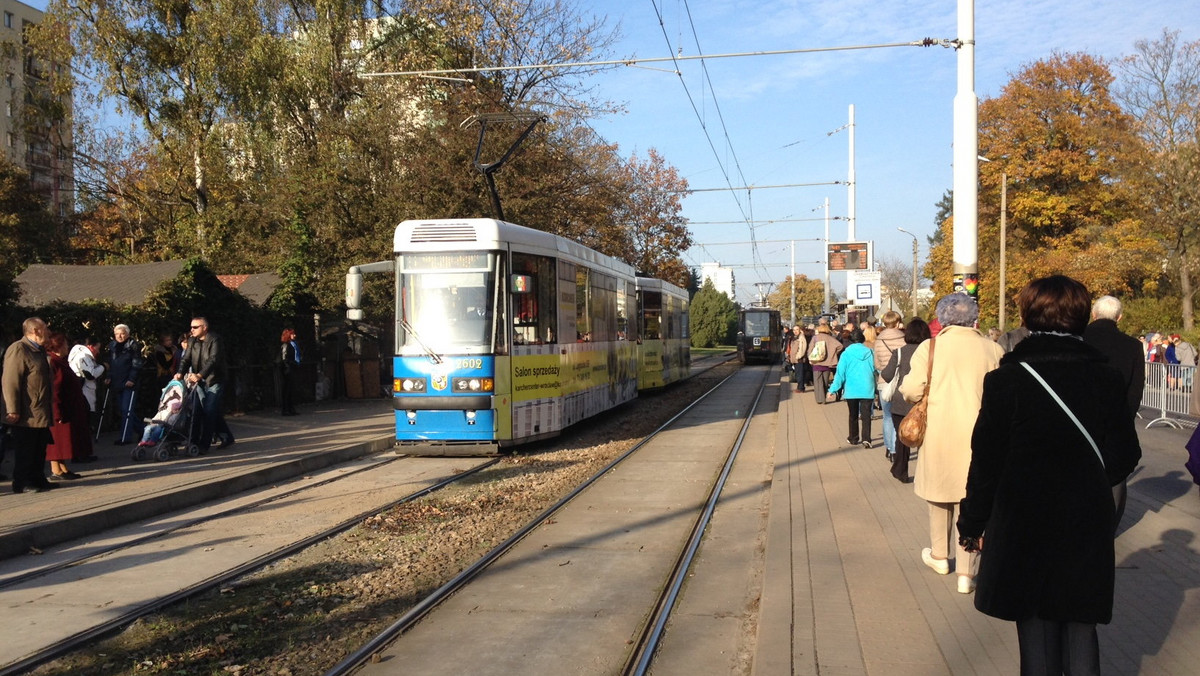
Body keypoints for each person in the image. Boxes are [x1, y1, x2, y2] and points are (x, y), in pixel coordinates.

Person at [957, 276, 1141, 675]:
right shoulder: (1105, 378)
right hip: (1085, 522)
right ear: (1080, 317)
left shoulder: (1007, 380)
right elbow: (1126, 454)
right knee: (1080, 623)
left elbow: (986, 461)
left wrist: (972, 522)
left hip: (1025, 521)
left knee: (1036, 626)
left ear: (1028, 316)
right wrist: (1085, 482)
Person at [900, 293, 1003, 595]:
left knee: (939, 496)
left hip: (940, 433)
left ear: (942, 318)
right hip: (981, 433)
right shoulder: (993, 348)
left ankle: (940, 556)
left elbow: (911, 389)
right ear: (974, 317)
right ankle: (967, 573)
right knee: (973, 498)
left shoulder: (929, 347)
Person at [1083, 295, 1145, 533]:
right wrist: (1125, 419)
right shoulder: (1132, 346)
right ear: (1119, 317)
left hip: (1081, 417)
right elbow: (1135, 389)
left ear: (1093, 314)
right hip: (1116, 422)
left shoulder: (1079, 339)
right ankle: (1107, 527)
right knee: (1114, 477)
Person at [2, 317, 59, 493]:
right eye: (45, 328)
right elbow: (11, 381)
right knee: (25, 448)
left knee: (39, 447)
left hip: (40, 409)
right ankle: (21, 482)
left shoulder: (39, 350)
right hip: (26, 412)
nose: (48, 332)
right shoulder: (19, 349)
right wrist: (12, 409)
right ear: (35, 331)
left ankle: (37, 478)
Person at [880, 318, 931, 483]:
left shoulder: (900, 352)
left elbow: (887, 375)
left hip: (901, 403)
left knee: (903, 437)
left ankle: (900, 469)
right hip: (925, 402)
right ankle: (927, 475)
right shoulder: (931, 353)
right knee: (926, 438)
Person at [174, 317, 233, 453]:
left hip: (214, 379)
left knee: (209, 410)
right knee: (200, 410)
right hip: (199, 381)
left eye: (195, 327)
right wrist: (180, 373)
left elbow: (213, 360)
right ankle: (225, 437)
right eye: (191, 327)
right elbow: (186, 359)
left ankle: (204, 445)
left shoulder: (214, 340)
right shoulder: (192, 341)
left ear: (204, 327)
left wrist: (200, 375)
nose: (192, 330)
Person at [44, 332, 92, 479]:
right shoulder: (53, 362)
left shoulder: (60, 361)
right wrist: (57, 411)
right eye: (65, 344)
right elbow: (55, 388)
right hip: (61, 408)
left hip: (69, 407)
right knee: (58, 441)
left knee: (64, 441)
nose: (67, 347)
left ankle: (63, 468)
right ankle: (56, 469)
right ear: (58, 345)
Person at [826, 329, 876, 448]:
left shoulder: (846, 354)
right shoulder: (870, 352)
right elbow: (877, 369)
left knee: (853, 415)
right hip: (867, 387)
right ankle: (867, 439)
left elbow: (840, 374)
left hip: (852, 389)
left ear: (851, 340)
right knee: (866, 415)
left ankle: (853, 438)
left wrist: (832, 390)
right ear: (862, 339)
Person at [873, 311, 906, 460]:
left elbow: (877, 364)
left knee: (887, 416)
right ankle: (895, 447)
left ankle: (889, 448)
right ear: (898, 322)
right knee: (899, 415)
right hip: (901, 382)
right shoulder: (904, 339)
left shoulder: (879, 341)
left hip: (884, 381)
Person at [106, 324, 145, 445]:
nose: (119, 336)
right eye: (117, 334)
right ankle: (144, 430)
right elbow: (111, 363)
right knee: (124, 411)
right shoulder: (112, 346)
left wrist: (132, 379)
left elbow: (137, 363)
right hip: (117, 381)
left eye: (122, 333)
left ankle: (125, 437)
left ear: (127, 334)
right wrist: (108, 376)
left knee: (126, 410)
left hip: (129, 382)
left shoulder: (133, 345)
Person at [809, 320, 843, 404]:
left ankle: (819, 399)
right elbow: (840, 346)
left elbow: (810, 349)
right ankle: (824, 397)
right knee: (825, 381)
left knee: (817, 382)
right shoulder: (831, 338)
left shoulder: (815, 338)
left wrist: (810, 357)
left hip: (817, 362)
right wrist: (833, 353)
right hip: (828, 363)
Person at [279, 327, 301, 416]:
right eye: (292, 334)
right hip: (287, 369)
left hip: (292, 367)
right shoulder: (286, 345)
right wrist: (289, 366)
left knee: (291, 389)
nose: (294, 335)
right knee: (287, 389)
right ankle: (285, 409)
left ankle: (291, 408)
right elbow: (284, 358)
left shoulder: (293, 344)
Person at [785, 325, 807, 393]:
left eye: (797, 329)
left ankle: (801, 388)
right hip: (794, 359)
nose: (795, 331)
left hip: (799, 359)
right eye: (794, 330)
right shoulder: (794, 337)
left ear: (800, 330)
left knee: (800, 374)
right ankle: (799, 387)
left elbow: (802, 348)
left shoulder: (801, 337)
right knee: (797, 373)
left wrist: (798, 356)